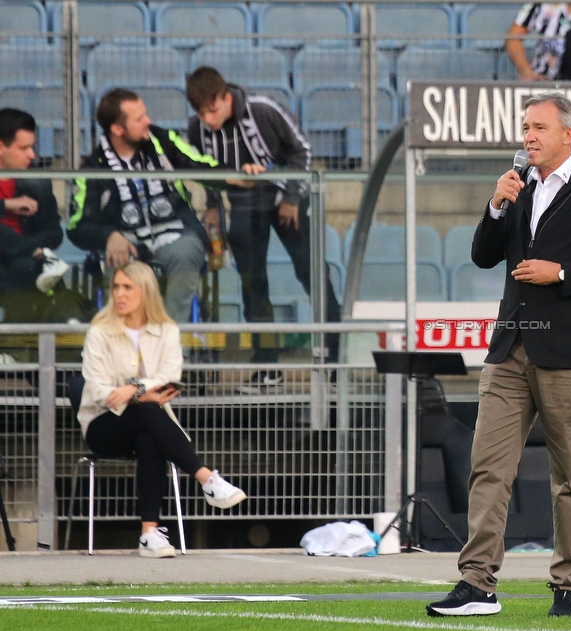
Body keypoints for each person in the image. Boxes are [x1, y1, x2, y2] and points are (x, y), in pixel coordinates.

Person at [426, 91, 571, 618]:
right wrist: (495, 204)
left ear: (569, 133)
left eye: (540, 127)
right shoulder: (519, 186)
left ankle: (568, 585)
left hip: (568, 352)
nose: (529, 136)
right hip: (510, 347)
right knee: (488, 467)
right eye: (526, 127)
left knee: (570, 473)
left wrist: (561, 273)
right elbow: (482, 256)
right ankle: (477, 585)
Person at [186, 67, 341, 392]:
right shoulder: (197, 130)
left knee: (313, 273)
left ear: (227, 98)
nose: (208, 119)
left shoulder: (263, 109)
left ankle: (336, 361)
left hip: (288, 198)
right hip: (244, 203)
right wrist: (213, 205)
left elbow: (303, 150)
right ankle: (268, 367)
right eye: (201, 114)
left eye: (212, 110)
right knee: (252, 283)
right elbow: (204, 169)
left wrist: (292, 197)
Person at [77, 260, 247, 558]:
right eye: (116, 287)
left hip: (149, 423)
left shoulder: (166, 330)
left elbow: (170, 377)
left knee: (149, 436)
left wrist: (133, 389)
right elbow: (99, 391)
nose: (120, 294)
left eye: (128, 287)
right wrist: (142, 393)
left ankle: (149, 534)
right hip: (103, 425)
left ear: (145, 292)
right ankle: (206, 478)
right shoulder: (99, 332)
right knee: (148, 413)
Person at [69, 88, 242, 323]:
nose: (148, 122)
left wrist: (241, 176)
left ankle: (172, 345)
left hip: (174, 235)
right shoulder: (92, 168)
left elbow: (200, 165)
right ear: (117, 129)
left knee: (187, 250)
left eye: (145, 114)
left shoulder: (162, 140)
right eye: (139, 119)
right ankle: (125, 346)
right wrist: (108, 236)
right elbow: (75, 226)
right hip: (126, 245)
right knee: (118, 265)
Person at [0, 108, 67, 322]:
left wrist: (20, 249)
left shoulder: (37, 183)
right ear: (1, 147)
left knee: (25, 267)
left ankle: (16, 350)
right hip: (26, 258)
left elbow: (54, 234)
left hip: (22, 264)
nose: (32, 155)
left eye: (32, 147)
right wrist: (6, 205)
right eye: (24, 148)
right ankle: (40, 254)